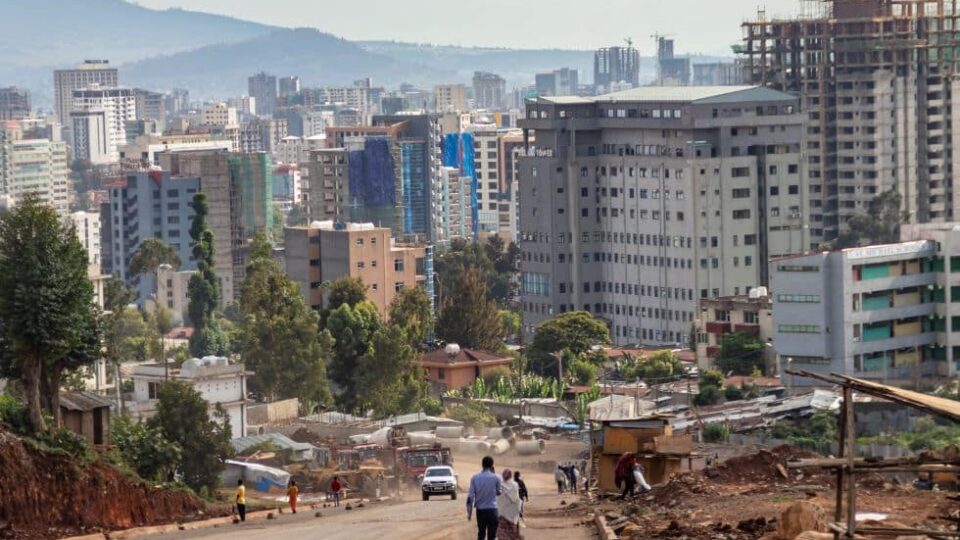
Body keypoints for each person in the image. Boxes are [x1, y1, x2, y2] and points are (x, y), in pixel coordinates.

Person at [467, 455, 502, 540]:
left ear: (482, 465)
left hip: (481, 511)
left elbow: (470, 497)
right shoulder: (497, 477)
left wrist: (469, 512)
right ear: (492, 465)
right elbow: (499, 492)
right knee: (492, 536)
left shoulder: (475, 478)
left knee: (481, 534)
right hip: (493, 510)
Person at [497, 468, 522, 540]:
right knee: (512, 533)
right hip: (512, 514)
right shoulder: (514, 485)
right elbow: (515, 499)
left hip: (501, 514)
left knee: (502, 534)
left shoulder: (500, 485)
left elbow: (497, 499)